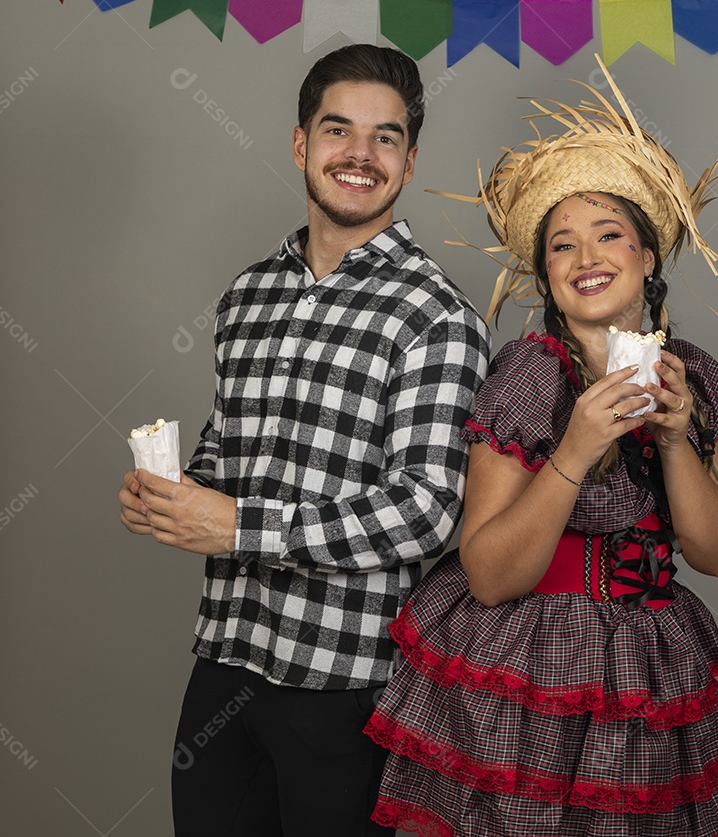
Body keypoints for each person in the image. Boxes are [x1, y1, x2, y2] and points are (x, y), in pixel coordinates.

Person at [363, 58, 718, 837]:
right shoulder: (528, 376)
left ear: (648, 256)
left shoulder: (696, 378)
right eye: (562, 246)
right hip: (526, 664)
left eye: (608, 235)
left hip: (647, 672)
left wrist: (678, 438)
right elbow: (487, 574)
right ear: (546, 277)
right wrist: (576, 448)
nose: (587, 259)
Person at [117, 44, 490, 836]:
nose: (360, 154)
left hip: (345, 684)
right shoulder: (247, 295)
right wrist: (175, 492)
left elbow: (425, 510)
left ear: (409, 160)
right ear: (300, 144)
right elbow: (230, 456)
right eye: (338, 130)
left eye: (385, 137)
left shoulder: (439, 317)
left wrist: (239, 525)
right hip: (225, 660)